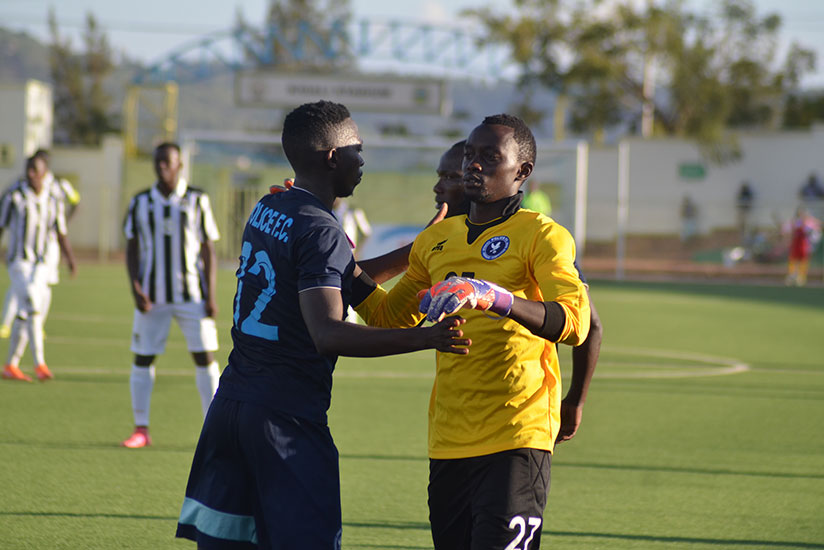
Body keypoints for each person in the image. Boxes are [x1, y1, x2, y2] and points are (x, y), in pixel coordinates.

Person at [175, 101, 470, 549]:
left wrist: (421, 248)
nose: (363, 160)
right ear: (334, 156)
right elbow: (328, 333)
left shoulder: (270, 206)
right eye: (358, 149)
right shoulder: (322, 229)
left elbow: (341, 274)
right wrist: (425, 337)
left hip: (231, 406)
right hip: (284, 418)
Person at [353, 114, 591, 549]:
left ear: (522, 172)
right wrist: (325, 247)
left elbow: (576, 322)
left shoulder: (542, 235)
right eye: (469, 155)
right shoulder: (437, 240)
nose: (473, 166)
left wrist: (496, 297)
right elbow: (387, 316)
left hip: (518, 431)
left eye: (489, 157)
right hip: (449, 439)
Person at [431, 137, 603, 446]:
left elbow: (588, 324)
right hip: (453, 433)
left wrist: (575, 400)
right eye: (441, 176)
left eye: (450, 177)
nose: (439, 187)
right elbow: (388, 314)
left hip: (520, 424)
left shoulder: (534, 235)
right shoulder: (439, 241)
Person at [120, 142, 221, 448]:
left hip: (192, 294)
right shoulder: (140, 202)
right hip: (153, 295)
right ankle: (141, 429)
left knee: (205, 358)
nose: (162, 166)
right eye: (158, 161)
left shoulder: (197, 199)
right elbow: (132, 246)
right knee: (143, 358)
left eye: (168, 162)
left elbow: (208, 249)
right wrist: (135, 286)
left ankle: (213, 430)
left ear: (180, 165)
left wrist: (211, 294)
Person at [0, 154, 76, 382]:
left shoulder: (53, 199)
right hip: (19, 261)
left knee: (27, 315)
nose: (31, 174)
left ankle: (11, 365)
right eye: (28, 169)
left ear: (45, 172)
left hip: (42, 264)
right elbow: (1, 226)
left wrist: (70, 259)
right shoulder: (15, 196)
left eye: (35, 170)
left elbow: (61, 232)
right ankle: (39, 363)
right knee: (32, 304)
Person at [784, 206, 822, 286]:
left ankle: (801, 277)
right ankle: (791, 276)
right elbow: (788, 231)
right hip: (795, 244)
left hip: (804, 245)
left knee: (803, 261)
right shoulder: (794, 222)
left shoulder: (809, 222)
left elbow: (815, 230)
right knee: (793, 260)